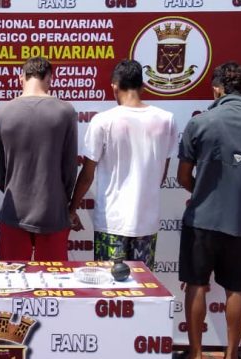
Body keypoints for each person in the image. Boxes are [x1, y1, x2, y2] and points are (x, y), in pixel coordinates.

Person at [174, 62, 241, 359]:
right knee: (236, 289)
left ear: (217, 89)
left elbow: (182, 176)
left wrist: (202, 191)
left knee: (196, 285)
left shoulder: (200, 123)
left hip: (202, 220)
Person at [69, 59, 178, 268]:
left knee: (108, 284)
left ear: (114, 87)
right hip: (147, 221)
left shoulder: (102, 120)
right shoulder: (167, 120)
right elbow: (162, 174)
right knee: (143, 284)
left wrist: (72, 209)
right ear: (143, 87)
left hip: (112, 221)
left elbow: (87, 174)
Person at [0, 57, 78, 261]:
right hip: (53, 210)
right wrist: (62, 200)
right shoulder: (65, 111)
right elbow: (70, 169)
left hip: (14, 211)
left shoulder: (1, 113)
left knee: (12, 277)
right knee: (53, 277)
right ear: (49, 78)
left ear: (21, 78)